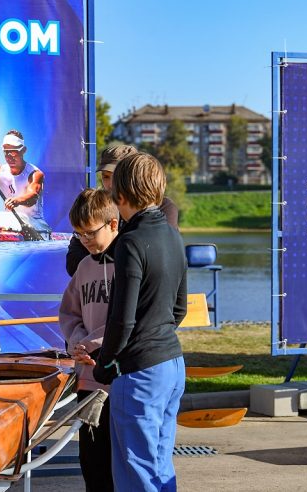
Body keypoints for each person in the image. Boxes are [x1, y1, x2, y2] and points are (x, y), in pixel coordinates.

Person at [90, 152, 187, 492]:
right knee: (160, 467)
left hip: (140, 373)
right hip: (172, 365)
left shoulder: (129, 242)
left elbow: (122, 319)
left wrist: (104, 365)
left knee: (136, 472)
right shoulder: (173, 236)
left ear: (119, 195)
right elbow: (179, 310)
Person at [59, 188, 119, 492]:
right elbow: (69, 314)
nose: (84, 240)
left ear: (112, 224)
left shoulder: (127, 265)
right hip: (87, 379)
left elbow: (127, 320)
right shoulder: (84, 267)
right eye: (78, 234)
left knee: (117, 463)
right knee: (91, 463)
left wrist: (92, 343)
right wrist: (76, 341)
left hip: (118, 380)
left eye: (89, 232)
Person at [66, 144, 179, 276]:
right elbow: (73, 263)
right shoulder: (95, 207)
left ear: (134, 175)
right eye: (106, 177)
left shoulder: (164, 207)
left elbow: (157, 256)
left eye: (117, 176)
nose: (110, 184)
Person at [0, 130, 51, 233]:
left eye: (13, 151)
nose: (9, 156)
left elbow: (32, 197)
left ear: (23, 150)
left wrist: (16, 201)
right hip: (9, 223)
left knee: (2, 218)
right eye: (5, 151)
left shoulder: (35, 174)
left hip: (35, 224)